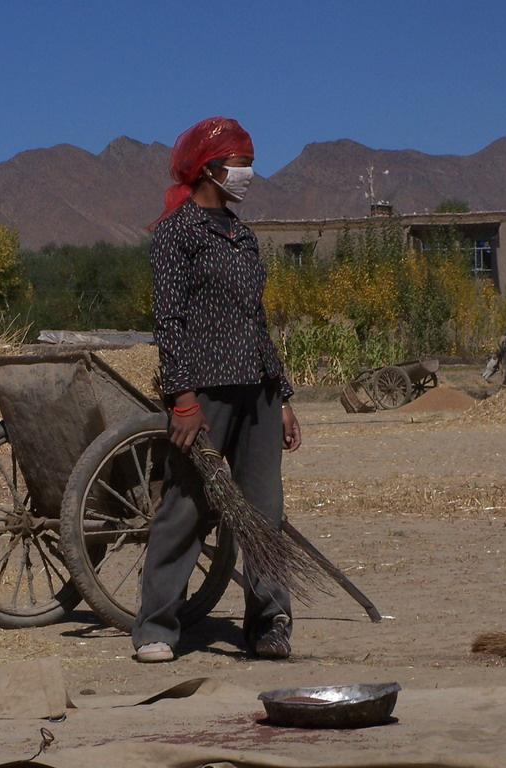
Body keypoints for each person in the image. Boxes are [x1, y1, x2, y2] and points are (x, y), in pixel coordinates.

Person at [131, 116, 302, 663]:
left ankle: (269, 622)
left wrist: (284, 398)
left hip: (258, 392)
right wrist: (181, 398)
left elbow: (257, 320)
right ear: (210, 168)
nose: (248, 173)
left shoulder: (243, 236)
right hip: (203, 392)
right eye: (240, 163)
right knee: (185, 506)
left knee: (263, 511)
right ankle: (157, 627)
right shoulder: (177, 233)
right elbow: (168, 321)